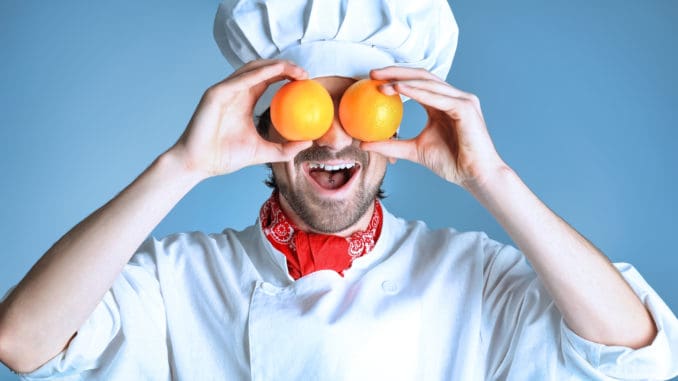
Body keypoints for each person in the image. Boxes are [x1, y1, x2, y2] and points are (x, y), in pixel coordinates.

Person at [1, 0, 677, 379]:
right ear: (264, 119)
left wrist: (491, 178)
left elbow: (637, 353)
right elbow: (22, 340)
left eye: (355, 109)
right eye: (309, 110)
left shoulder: (470, 277)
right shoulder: (182, 280)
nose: (332, 140)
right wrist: (182, 163)